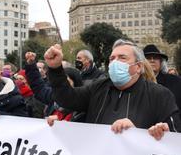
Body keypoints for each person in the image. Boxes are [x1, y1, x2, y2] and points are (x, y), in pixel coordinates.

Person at [44, 39, 181, 141]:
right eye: (112, 59)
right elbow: (67, 98)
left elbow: (174, 137)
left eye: (122, 58)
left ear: (138, 67)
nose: (115, 62)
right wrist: (55, 69)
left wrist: (141, 132)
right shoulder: (98, 87)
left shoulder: (160, 95)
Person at [143, 44, 181, 117]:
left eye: (156, 58)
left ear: (161, 62)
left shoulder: (176, 81)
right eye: (148, 58)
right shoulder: (134, 83)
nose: (152, 60)